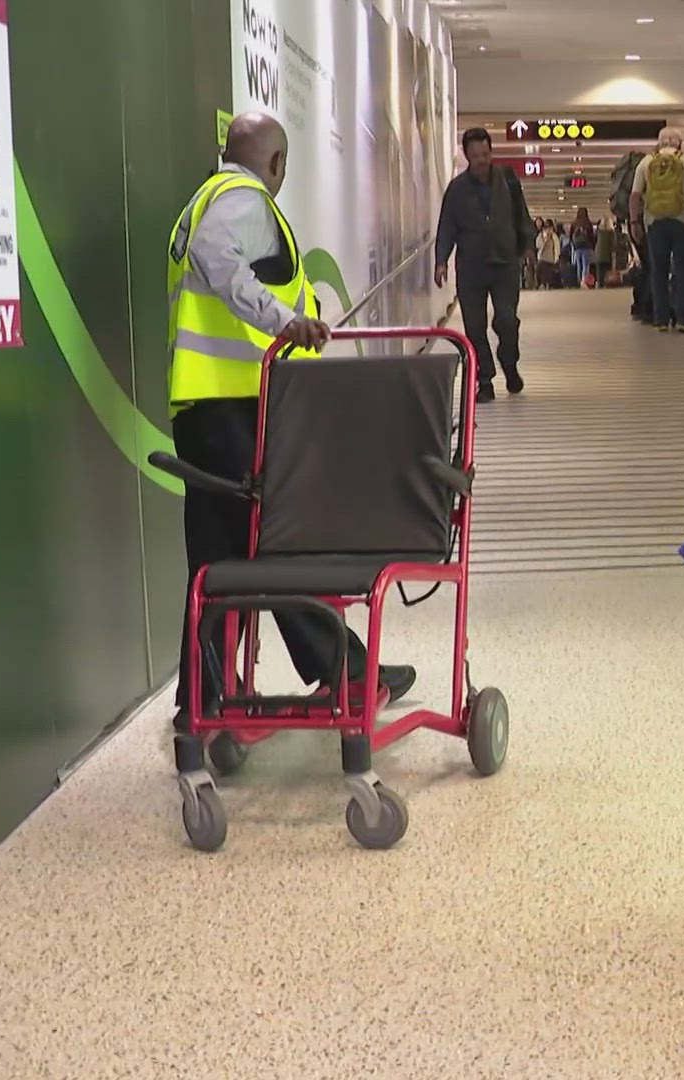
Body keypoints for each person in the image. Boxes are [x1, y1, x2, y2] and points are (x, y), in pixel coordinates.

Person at [164, 111, 415, 728]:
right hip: (235, 410)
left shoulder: (200, 198)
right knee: (275, 545)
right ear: (276, 164)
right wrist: (285, 320)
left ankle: (201, 699)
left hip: (203, 408)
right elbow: (217, 257)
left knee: (218, 561)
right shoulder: (242, 199)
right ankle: (347, 669)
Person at [433, 127, 532, 403]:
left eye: (486, 154)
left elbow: (521, 214)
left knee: (507, 321)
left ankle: (509, 364)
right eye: (476, 156)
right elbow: (447, 228)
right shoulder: (456, 189)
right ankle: (485, 379)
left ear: (491, 152)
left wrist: (527, 246)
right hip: (471, 268)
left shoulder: (508, 180)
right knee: (474, 327)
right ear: (466, 156)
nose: (482, 160)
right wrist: (441, 261)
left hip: (505, 264)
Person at [630, 128, 684, 333]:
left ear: (660, 142)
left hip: (655, 223)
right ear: (679, 143)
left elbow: (635, 196)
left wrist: (634, 222)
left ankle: (661, 320)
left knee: (658, 271)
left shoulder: (646, 163)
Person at [569, 209, 599, 288]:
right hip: (587, 247)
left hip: (577, 247)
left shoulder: (574, 223)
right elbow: (592, 237)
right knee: (586, 265)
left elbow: (570, 236)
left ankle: (579, 281)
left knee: (579, 265)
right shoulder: (588, 224)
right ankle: (584, 281)